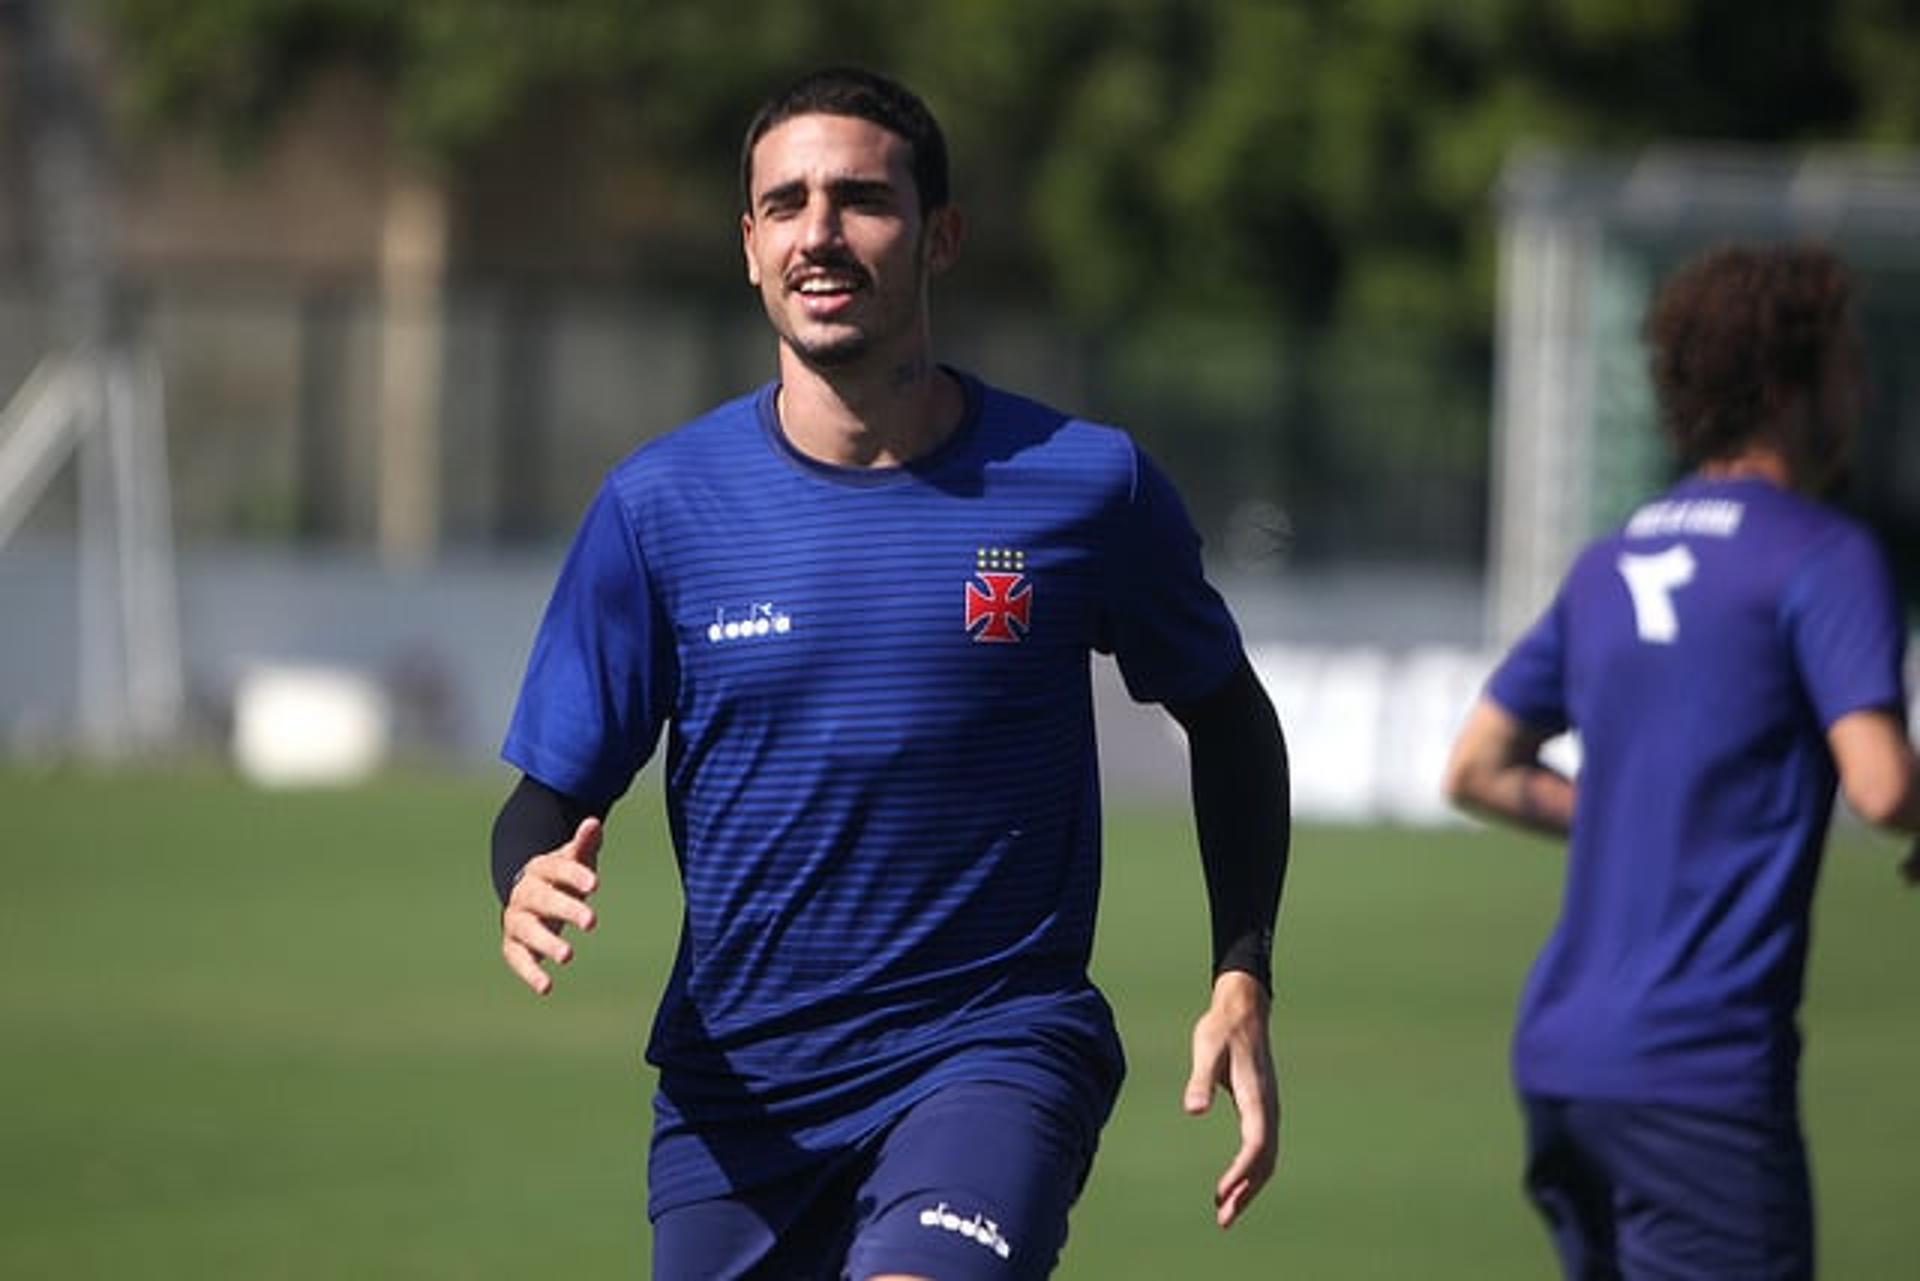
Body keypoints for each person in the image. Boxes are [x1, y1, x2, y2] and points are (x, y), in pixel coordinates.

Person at [490, 67, 1291, 1280]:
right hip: (739, 1100)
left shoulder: (1085, 485)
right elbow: (550, 796)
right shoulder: (660, 508)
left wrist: (1242, 968)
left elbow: (1229, 718)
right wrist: (523, 876)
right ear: (750, 244)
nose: (821, 232)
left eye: (861, 198)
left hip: (992, 1052)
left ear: (940, 236)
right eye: (787, 203)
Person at [1446, 242, 1920, 1280]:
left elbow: (1475, 766)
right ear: (1792, 386)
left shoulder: (1615, 556)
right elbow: (1884, 786)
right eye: (1848, 362)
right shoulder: (1823, 554)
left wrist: (1632, 812)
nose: (1865, 386)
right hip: (1698, 1074)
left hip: (1562, 1060)